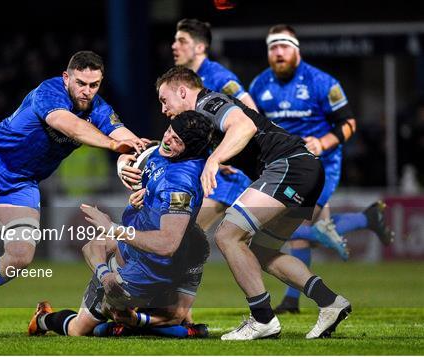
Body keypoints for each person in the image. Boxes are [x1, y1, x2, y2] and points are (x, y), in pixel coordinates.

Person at [0, 51, 149, 340]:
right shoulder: (49, 92)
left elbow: (124, 137)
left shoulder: (98, 108)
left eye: (94, 84)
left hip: (21, 182)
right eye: (81, 83)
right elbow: (68, 124)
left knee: (21, 256)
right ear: (66, 78)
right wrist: (113, 145)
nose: (87, 91)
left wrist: (135, 153)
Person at [156, 66, 352, 340]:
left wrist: (215, 159)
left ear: (182, 91)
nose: (164, 109)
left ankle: (262, 319)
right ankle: (330, 302)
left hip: (288, 166)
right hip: (304, 169)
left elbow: (244, 126)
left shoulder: (207, 102)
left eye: (165, 100)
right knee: (262, 251)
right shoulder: (200, 123)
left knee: (227, 235)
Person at [27, 111, 214, 338]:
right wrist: (129, 175)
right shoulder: (164, 153)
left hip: (152, 261)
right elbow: (136, 154)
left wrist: (113, 228)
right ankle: (43, 320)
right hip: (138, 260)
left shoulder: (179, 184)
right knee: (79, 329)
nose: (167, 141)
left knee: (168, 315)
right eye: (168, 132)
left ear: (191, 148)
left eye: (177, 140)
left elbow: (167, 244)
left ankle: (120, 323)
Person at [248, 24, 394, 313]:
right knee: (300, 230)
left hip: (321, 165)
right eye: (272, 47)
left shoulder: (322, 82)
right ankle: (365, 219)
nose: (278, 53)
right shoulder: (259, 85)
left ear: (296, 49)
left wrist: (323, 142)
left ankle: (293, 298)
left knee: (293, 226)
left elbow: (349, 123)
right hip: (282, 166)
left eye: (284, 46)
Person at [171, 18, 255, 230]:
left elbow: (251, 113)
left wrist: (227, 154)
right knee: (257, 250)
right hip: (203, 168)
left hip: (226, 174)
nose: (174, 46)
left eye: (181, 41)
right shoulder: (188, 81)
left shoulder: (218, 77)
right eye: (175, 41)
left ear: (200, 47)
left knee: (186, 232)